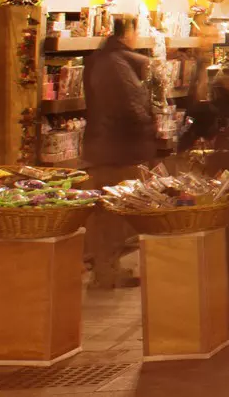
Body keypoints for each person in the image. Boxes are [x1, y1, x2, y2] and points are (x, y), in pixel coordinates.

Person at [82, 16, 160, 289]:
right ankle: (106, 272)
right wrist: (150, 128)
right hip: (116, 149)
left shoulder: (106, 59)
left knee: (110, 212)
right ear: (128, 32)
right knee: (111, 212)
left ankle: (109, 268)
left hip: (108, 146)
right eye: (137, 30)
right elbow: (130, 106)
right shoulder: (116, 64)